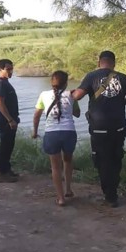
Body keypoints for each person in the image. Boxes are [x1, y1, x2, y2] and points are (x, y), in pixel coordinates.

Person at [72, 50, 126, 208]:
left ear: (99, 62)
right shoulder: (122, 77)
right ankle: (113, 194)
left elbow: (77, 96)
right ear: (114, 63)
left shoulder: (91, 77)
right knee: (116, 158)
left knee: (102, 160)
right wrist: (122, 102)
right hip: (118, 127)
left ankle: (108, 194)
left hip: (98, 128)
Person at [32, 71, 80, 207]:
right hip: (69, 132)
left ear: (51, 82)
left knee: (55, 167)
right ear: (66, 83)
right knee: (68, 160)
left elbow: (36, 116)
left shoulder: (43, 95)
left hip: (52, 133)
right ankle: (68, 189)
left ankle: (60, 198)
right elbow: (77, 114)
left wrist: (35, 132)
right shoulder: (71, 95)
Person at [0, 59, 20, 183]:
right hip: (5, 120)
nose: (11, 71)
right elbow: (0, 103)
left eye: (11, 69)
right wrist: (10, 120)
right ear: (0, 69)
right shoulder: (0, 84)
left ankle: (6, 169)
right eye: (8, 69)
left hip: (10, 119)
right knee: (5, 146)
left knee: (9, 145)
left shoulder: (5, 83)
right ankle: (2, 173)